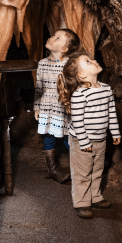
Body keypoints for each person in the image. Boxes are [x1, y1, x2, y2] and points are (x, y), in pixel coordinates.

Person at [58, 52, 121, 218]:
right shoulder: (80, 95)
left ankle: (95, 197)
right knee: (82, 173)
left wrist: (115, 131)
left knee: (97, 170)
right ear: (82, 74)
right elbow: (77, 121)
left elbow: (111, 112)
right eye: (87, 61)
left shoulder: (106, 89)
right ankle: (81, 202)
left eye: (91, 59)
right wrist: (84, 142)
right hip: (81, 141)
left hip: (101, 139)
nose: (94, 60)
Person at [34, 29, 81, 183]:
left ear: (64, 49)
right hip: (47, 105)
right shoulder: (42, 63)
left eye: (58, 38)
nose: (52, 37)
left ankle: (80, 170)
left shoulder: (69, 65)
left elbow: (75, 86)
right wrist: (37, 106)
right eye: (53, 35)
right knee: (49, 136)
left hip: (64, 106)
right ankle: (53, 170)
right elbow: (39, 87)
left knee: (69, 136)